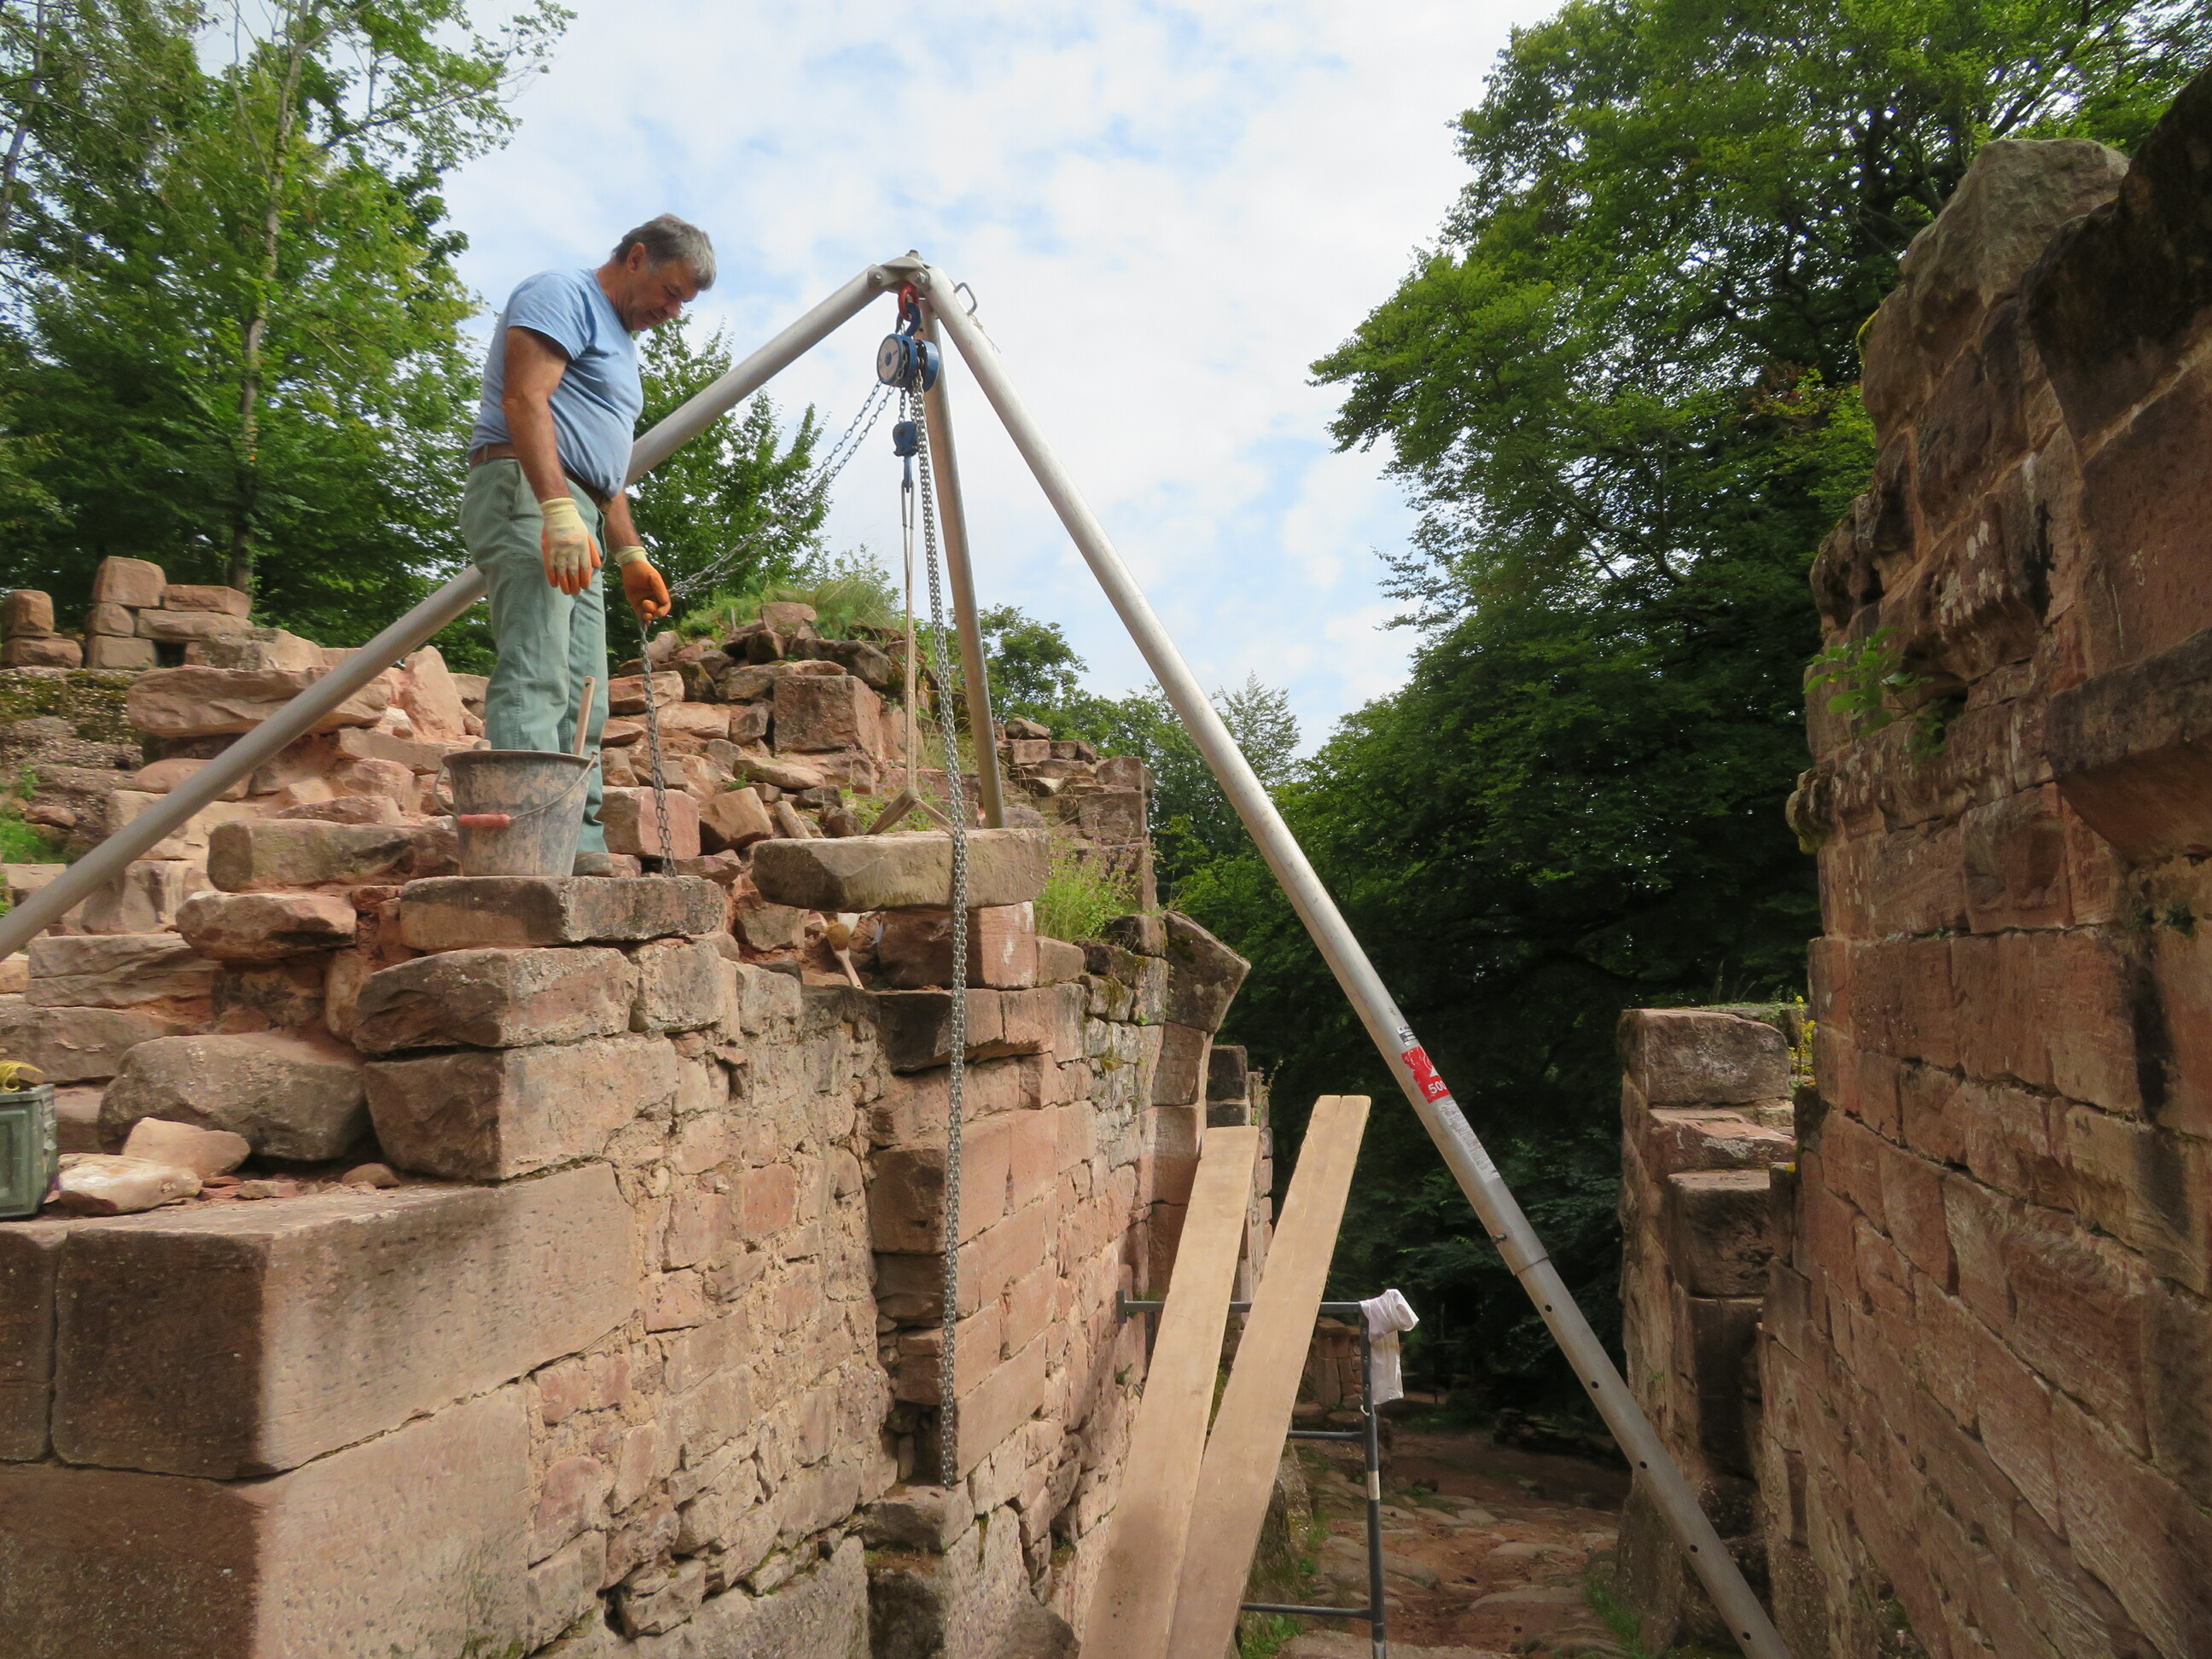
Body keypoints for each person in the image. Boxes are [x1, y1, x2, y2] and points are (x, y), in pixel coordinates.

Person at [461, 214, 704, 873]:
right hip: (527, 489)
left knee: (583, 690)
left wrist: (630, 555)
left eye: (684, 303)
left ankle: (577, 845)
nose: (673, 312)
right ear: (637, 257)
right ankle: (525, 854)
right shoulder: (562, 294)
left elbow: (604, 466)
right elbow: (524, 400)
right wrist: (556, 510)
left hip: (579, 510)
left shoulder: (622, 345)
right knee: (538, 670)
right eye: (672, 292)